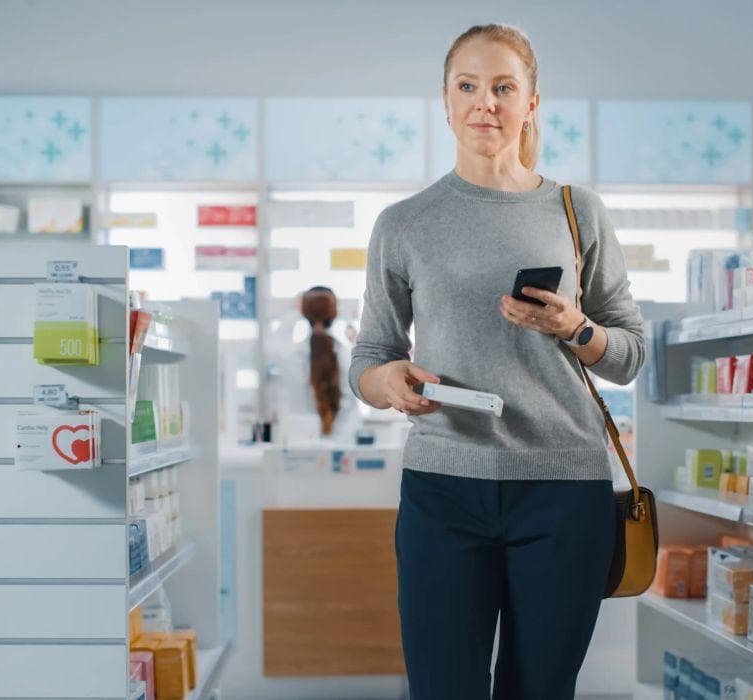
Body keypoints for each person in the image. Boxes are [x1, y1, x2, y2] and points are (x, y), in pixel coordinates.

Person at [349, 24, 645, 699]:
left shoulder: (577, 212)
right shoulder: (403, 223)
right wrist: (387, 381)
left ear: (531, 103)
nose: (486, 102)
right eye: (469, 86)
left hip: (564, 492)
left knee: (539, 691)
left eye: (504, 88)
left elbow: (628, 355)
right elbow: (370, 357)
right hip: (443, 488)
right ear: (447, 102)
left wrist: (576, 327)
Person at [272, 286, 361, 443]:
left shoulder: (291, 357)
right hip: (343, 450)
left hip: (303, 449)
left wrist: (294, 311)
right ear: (335, 313)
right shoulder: (349, 357)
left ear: (303, 313)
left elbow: (274, 343)